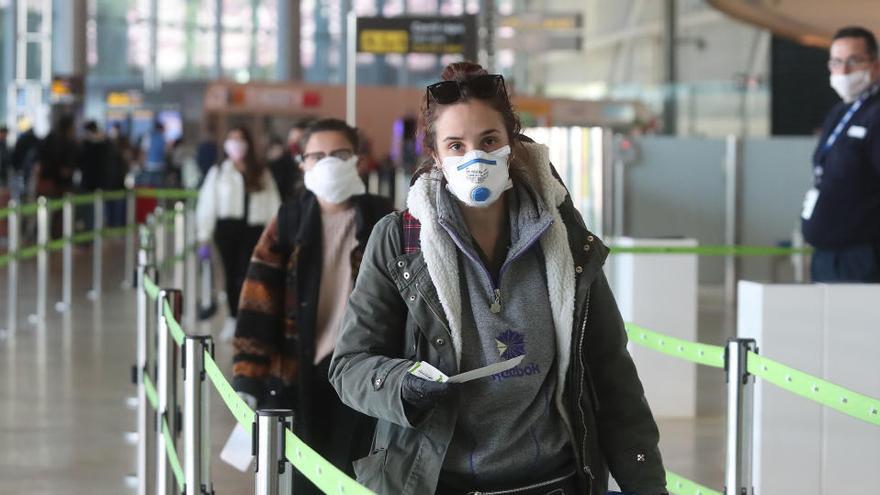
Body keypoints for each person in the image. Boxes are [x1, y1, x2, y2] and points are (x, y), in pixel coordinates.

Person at [329, 62, 668, 495]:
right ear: (435, 155)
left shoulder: (562, 235)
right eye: (455, 145)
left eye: (488, 140)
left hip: (555, 482)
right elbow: (350, 366)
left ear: (511, 142)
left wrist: (647, 483)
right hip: (440, 482)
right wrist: (402, 383)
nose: (474, 158)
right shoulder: (400, 242)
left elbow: (610, 372)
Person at [231, 118, 393, 495]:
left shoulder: (383, 219)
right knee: (303, 478)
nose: (328, 163)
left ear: (359, 160)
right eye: (317, 156)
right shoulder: (288, 222)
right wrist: (247, 377)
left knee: (354, 473)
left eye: (339, 154)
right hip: (298, 373)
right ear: (302, 163)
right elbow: (258, 303)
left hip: (362, 376)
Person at [802, 26, 880, 283]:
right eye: (836, 62)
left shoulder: (875, 114)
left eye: (853, 61)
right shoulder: (840, 112)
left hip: (862, 257)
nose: (843, 71)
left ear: (875, 65)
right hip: (827, 254)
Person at [196, 126, 281, 340]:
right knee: (230, 274)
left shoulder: (261, 172)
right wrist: (203, 235)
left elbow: (274, 203)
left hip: (254, 229)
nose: (235, 144)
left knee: (248, 275)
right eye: (231, 139)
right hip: (227, 229)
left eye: (240, 139)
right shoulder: (219, 172)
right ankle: (233, 317)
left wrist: (276, 232)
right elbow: (207, 204)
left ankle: (249, 320)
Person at [268, 120, 312, 201]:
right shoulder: (277, 166)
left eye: (299, 140)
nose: (294, 144)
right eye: (292, 139)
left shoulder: (315, 165)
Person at [140, 120, 167, 187]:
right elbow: (165, 152)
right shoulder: (162, 137)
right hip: (160, 165)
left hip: (149, 165)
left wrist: (142, 163)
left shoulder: (148, 136)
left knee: (148, 187)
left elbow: (144, 151)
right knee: (159, 186)